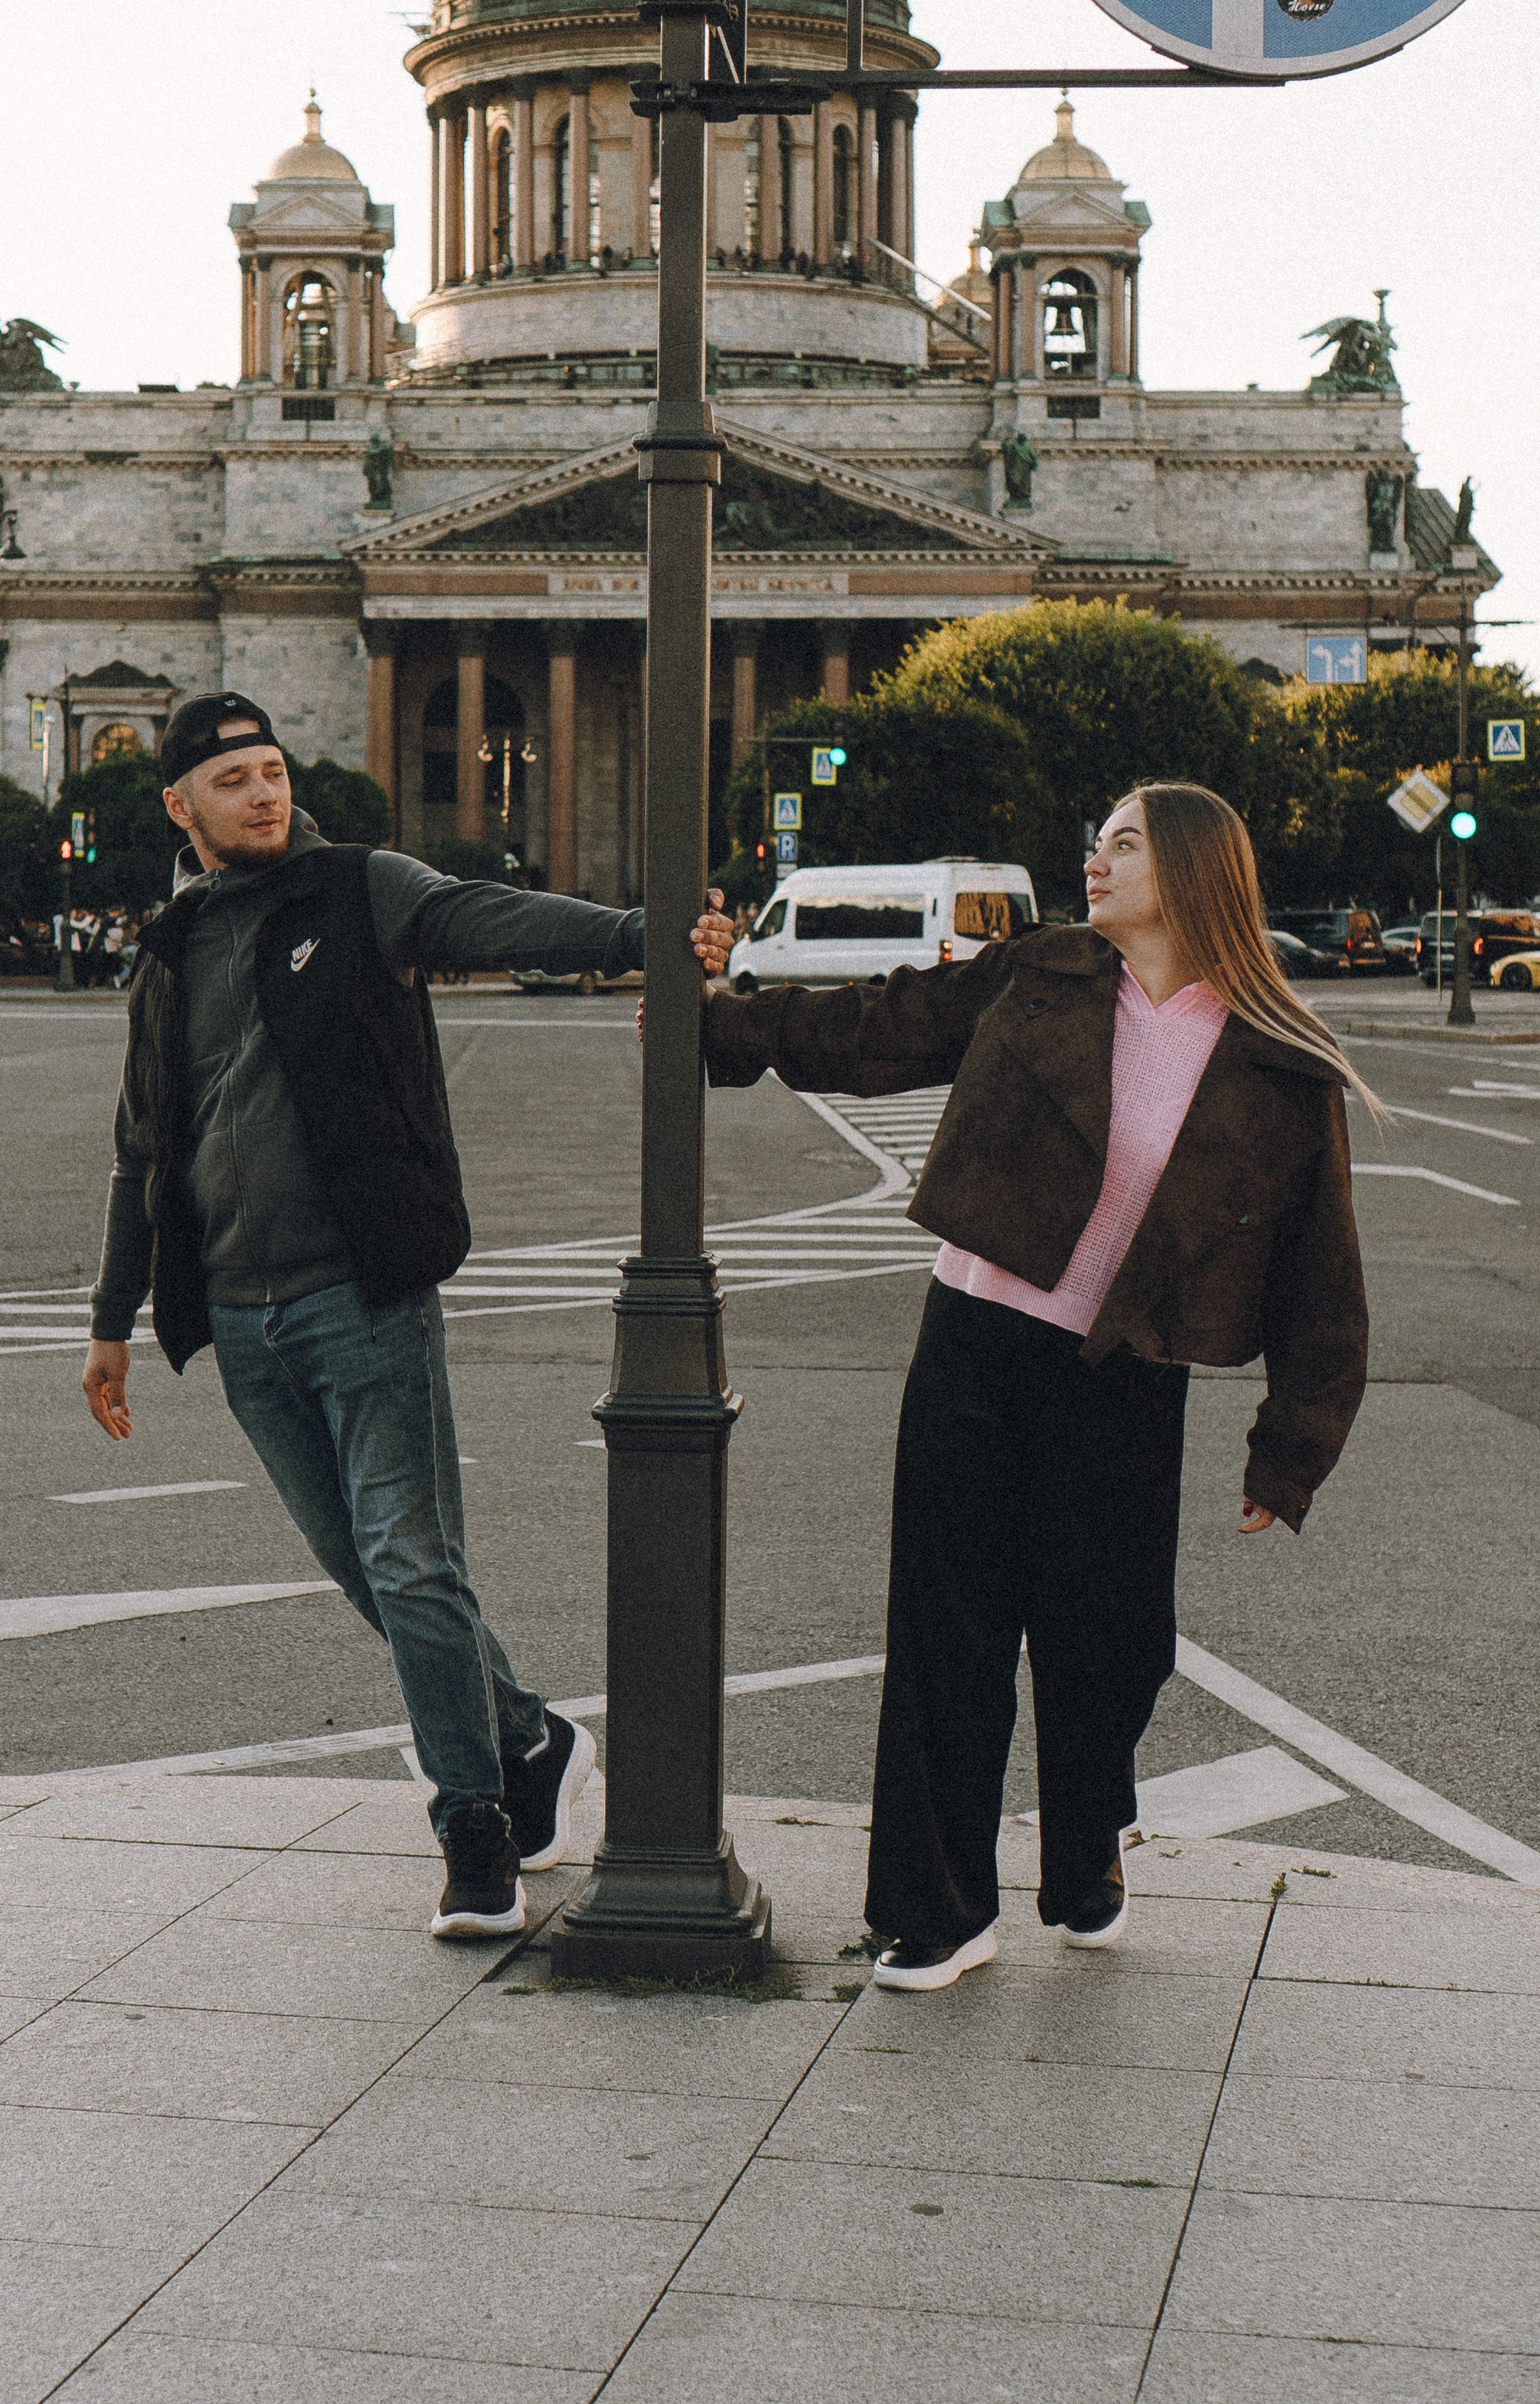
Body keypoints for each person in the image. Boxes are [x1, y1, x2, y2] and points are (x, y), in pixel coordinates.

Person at [81, 692, 733, 1942]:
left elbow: (482, 916)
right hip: (243, 1318)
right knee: (367, 1571)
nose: (264, 794)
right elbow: (139, 1152)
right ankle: (532, 1741)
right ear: (181, 807)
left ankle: (473, 1829)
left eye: (273, 772)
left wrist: (641, 937)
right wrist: (115, 1320)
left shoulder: (359, 889)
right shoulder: (167, 952)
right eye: (234, 782)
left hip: (361, 1296)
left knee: (409, 1559)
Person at [702, 782, 1372, 1992]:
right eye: (1097, 841)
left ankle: (1086, 1847)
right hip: (974, 1346)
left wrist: (1291, 1449)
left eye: (1125, 844)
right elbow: (880, 1027)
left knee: (1109, 1650)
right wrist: (724, 1021)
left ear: (1193, 872)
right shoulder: (1044, 972)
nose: (1097, 860)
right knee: (946, 1634)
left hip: (1127, 1376)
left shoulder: (1276, 1062)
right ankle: (936, 1913)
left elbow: (1321, 1274)